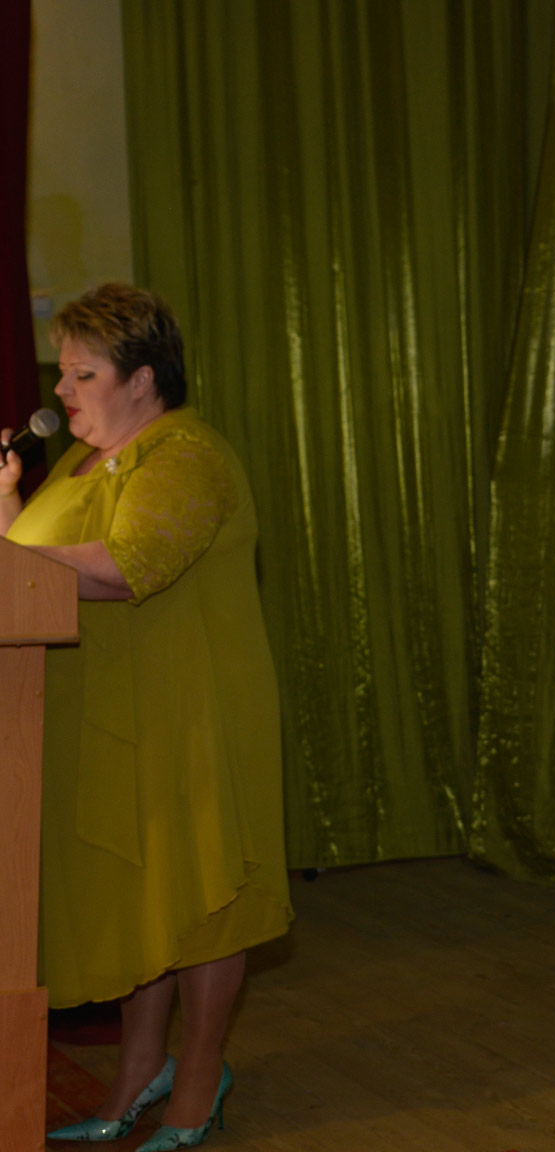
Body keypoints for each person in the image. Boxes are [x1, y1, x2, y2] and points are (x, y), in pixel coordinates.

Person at [2, 283, 290, 1152]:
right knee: (144, 905)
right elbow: (30, 571)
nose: (61, 389)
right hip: (109, 721)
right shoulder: (82, 461)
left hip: (187, 715)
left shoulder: (184, 455)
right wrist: (7, 504)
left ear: (143, 378)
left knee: (201, 902)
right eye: (62, 372)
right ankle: (137, 1074)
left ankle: (198, 1081)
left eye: (82, 373)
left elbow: (129, 565)